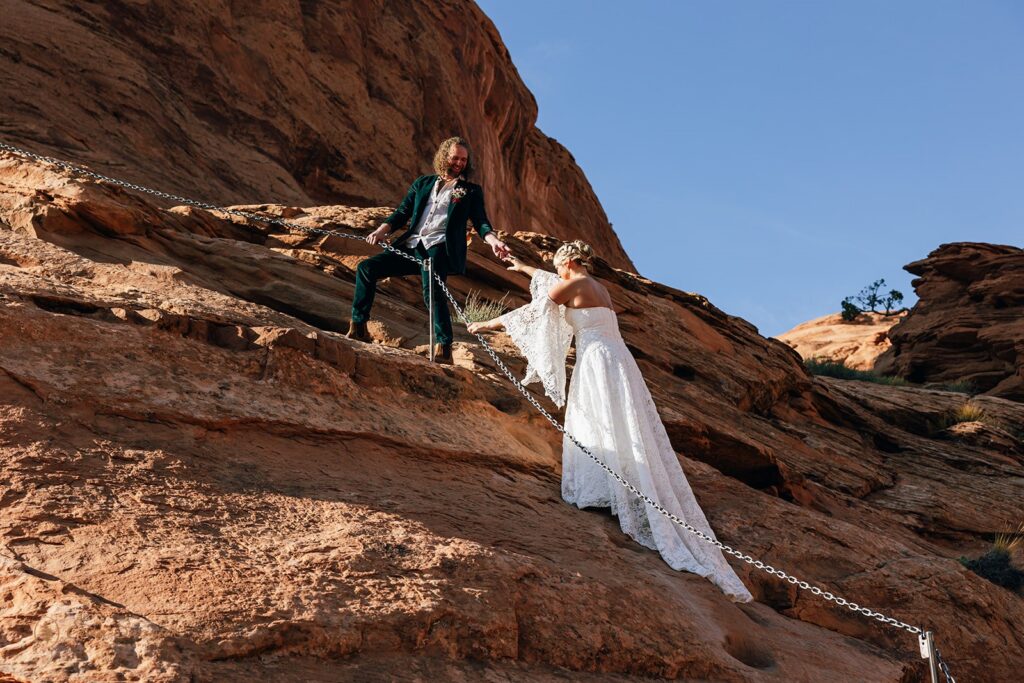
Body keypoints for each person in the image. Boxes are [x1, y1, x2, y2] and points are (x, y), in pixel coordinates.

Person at [468, 241, 753, 601]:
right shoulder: (598, 286)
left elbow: (534, 311)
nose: (556, 273)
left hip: (597, 360)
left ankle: (607, 490)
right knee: (620, 421)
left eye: (558, 267)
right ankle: (615, 486)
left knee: (597, 418)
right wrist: (523, 267)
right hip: (618, 359)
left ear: (569, 263)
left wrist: (486, 324)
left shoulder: (573, 284)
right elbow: (552, 285)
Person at [346, 137, 510, 363]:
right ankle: (358, 326)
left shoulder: (470, 191)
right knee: (367, 268)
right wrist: (382, 230)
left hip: (438, 248)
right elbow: (402, 212)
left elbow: (481, 221)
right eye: (455, 158)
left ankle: (444, 348)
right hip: (411, 245)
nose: (459, 163)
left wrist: (493, 241)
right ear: (444, 157)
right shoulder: (423, 183)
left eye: (463, 160)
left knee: (431, 291)